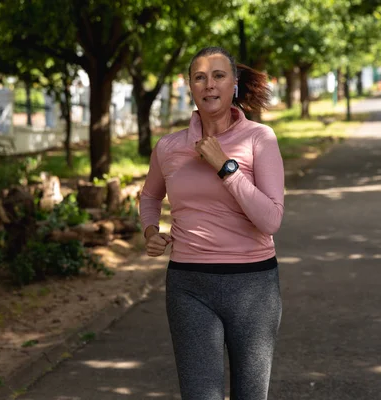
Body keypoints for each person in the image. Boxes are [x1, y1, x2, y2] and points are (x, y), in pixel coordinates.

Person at [139, 46, 285, 400]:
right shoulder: (169, 147)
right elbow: (149, 197)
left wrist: (226, 167)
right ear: (190, 86)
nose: (209, 84)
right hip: (189, 286)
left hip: (253, 286)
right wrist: (150, 231)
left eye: (218, 75)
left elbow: (270, 220)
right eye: (199, 77)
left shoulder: (258, 139)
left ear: (234, 83)